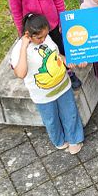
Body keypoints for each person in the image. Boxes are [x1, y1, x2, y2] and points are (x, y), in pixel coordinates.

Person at [8, 0, 82, 89]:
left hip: (53, 23)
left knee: (59, 47)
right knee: (46, 51)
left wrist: (61, 18)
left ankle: (68, 71)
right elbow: (16, 13)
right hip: (36, 28)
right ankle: (52, 73)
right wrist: (22, 32)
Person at [10, 13, 84, 154]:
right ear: (28, 34)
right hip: (42, 94)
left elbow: (56, 55)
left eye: (45, 35)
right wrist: (24, 48)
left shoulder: (46, 38)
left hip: (62, 85)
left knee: (70, 113)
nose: (43, 39)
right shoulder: (19, 49)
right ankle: (59, 140)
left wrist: (66, 60)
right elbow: (20, 73)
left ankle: (74, 139)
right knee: (51, 119)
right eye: (39, 38)